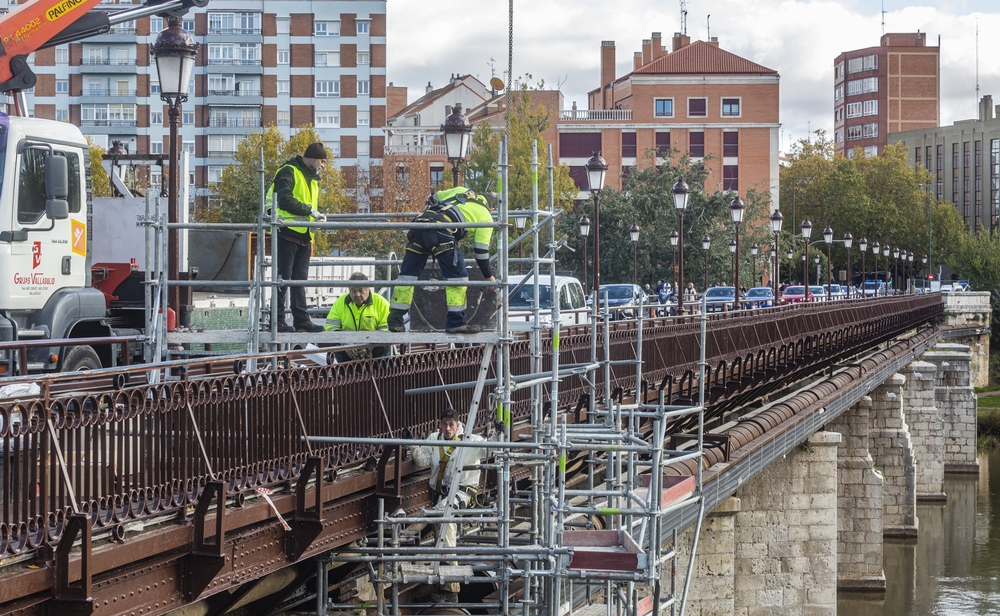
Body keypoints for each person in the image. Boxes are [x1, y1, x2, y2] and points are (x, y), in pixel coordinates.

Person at [389, 187, 495, 334]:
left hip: (419, 225)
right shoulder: (486, 216)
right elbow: (481, 252)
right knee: (458, 278)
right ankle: (455, 323)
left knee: (407, 276)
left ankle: (395, 320)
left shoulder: (461, 190)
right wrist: (488, 276)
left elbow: (432, 198)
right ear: (491, 207)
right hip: (442, 231)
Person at [410, 408, 486, 603]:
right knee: (442, 535)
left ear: (458, 424)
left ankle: (451, 589)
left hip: (462, 493)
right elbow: (422, 460)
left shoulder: (471, 441)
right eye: (444, 424)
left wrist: (499, 433)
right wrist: (411, 444)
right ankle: (444, 586)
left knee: (442, 518)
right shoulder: (435, 439)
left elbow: (491, 449)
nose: (447, 428)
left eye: (451, 424)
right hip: (442, 494)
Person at [266, 142, 328, 333]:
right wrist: (311, 211)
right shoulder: (288, 171)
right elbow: (284, 199)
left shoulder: (312, 178)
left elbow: (310, 205)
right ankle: (276, 321)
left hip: (303, 233)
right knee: (282, 280)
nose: (323, 165)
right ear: (310, 159)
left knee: (299, 280)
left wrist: (318, 213)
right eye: (321, 161)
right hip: (286, 231)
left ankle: (301, 320)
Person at [325, 272, 390, 362]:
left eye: (361, 290)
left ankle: (382, 373)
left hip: (375, 349)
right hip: (347, 348)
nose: (357, 294)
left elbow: (386, 331)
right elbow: (330, 327)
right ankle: (345, 374)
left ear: (368, 289)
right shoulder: (340, 303)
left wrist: (369, 344)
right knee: (338, 346)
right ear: (349, 290)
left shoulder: (381, 303)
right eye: (353, 291)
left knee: (383, 347)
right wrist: (345, 342)